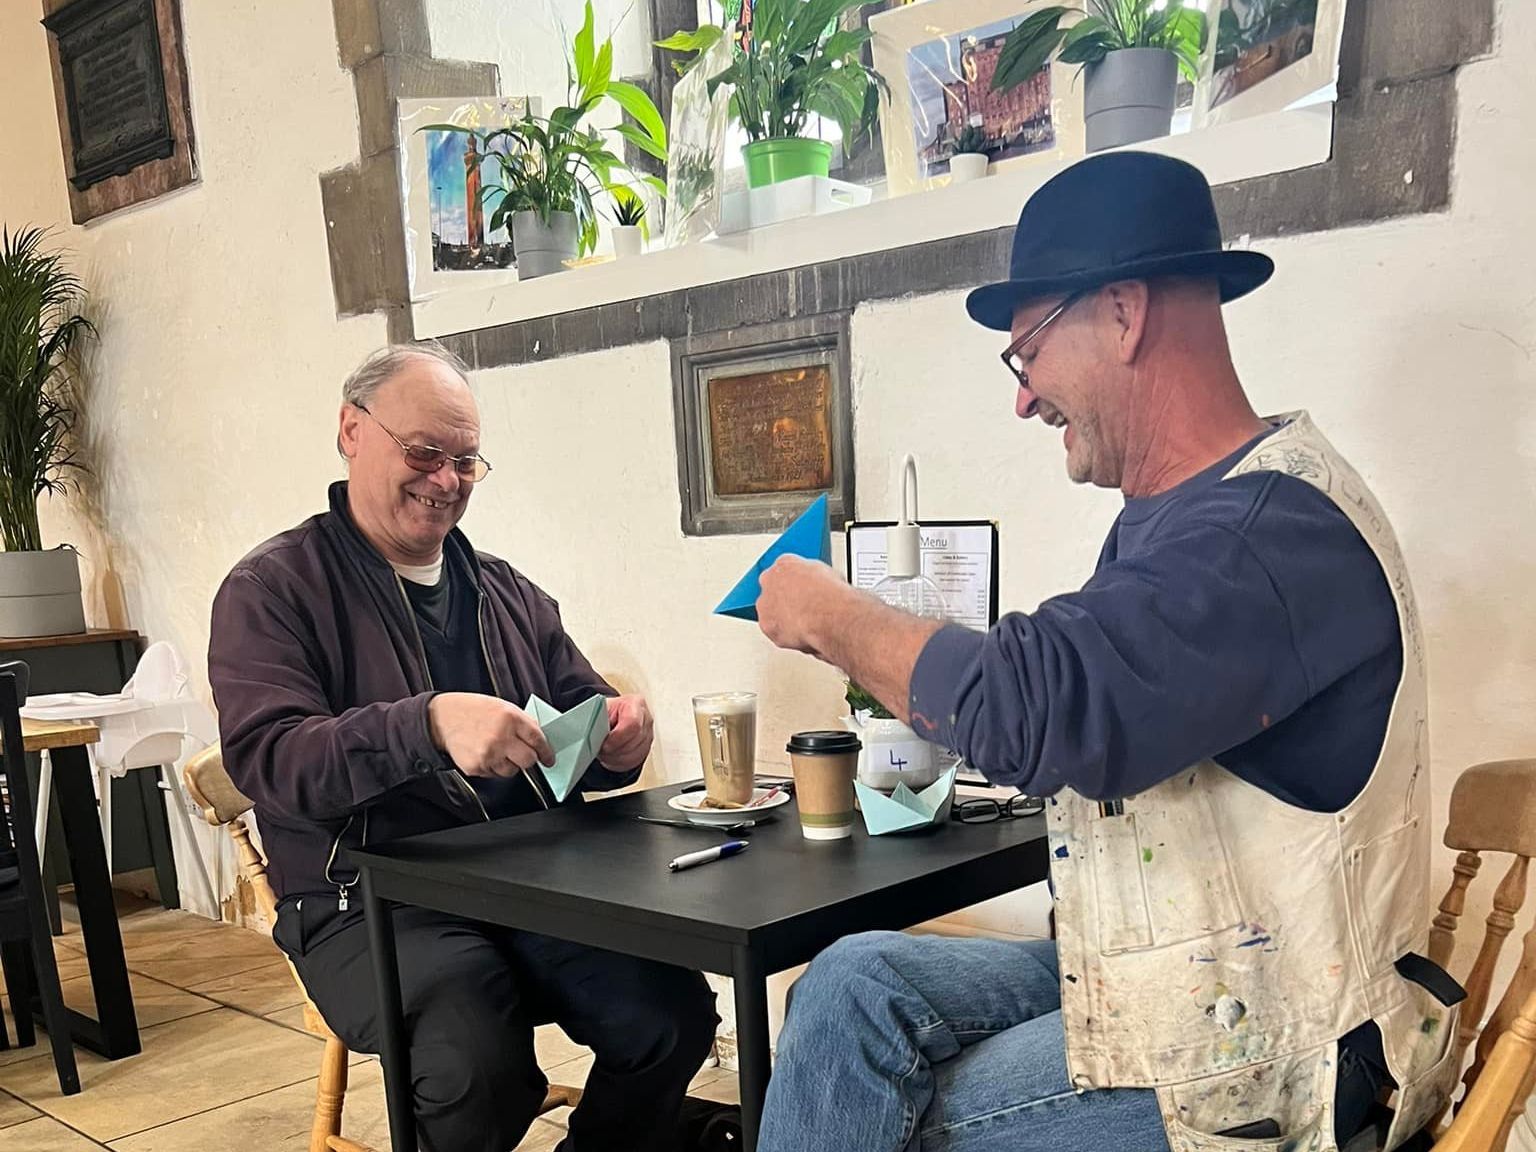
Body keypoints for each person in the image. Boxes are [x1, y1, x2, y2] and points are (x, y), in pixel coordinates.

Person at [751, 153, 1461, 1152]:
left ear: (1124, 313)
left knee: (887, 1111)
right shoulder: (1184, 520)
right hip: (1192, 974)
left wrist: (836, 614)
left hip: (1286, 1043)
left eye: (1026, 352)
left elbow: (1046, 706)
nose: (1023, 397)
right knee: (852, 988)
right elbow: (1083, 695)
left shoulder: (1268, 535)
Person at [208, 344, 716, 1152]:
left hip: (530, 880)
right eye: (423, 453)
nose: (446, 480)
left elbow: (580, 706)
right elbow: (269, 758)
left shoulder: (509, 591)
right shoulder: (273, 590)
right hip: (363, 899)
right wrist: (428, 724)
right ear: (350, 430)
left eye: (466, 461)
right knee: (477, 1068)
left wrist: (617, 740)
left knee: (671, 1015)